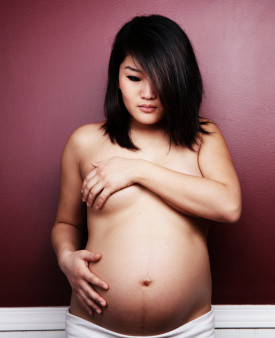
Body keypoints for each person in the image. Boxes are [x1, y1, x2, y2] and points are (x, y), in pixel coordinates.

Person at [51, 14, 241, 338]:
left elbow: (228, 206)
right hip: (93, 328)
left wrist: (137, 170)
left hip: (188, 330)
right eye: (135, 78)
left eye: (160, 79)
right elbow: (66, 224)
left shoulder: (203, 137)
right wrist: (66, 258)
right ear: (117, 79)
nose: (148, 93)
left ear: (180, 79)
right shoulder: (83, 142)